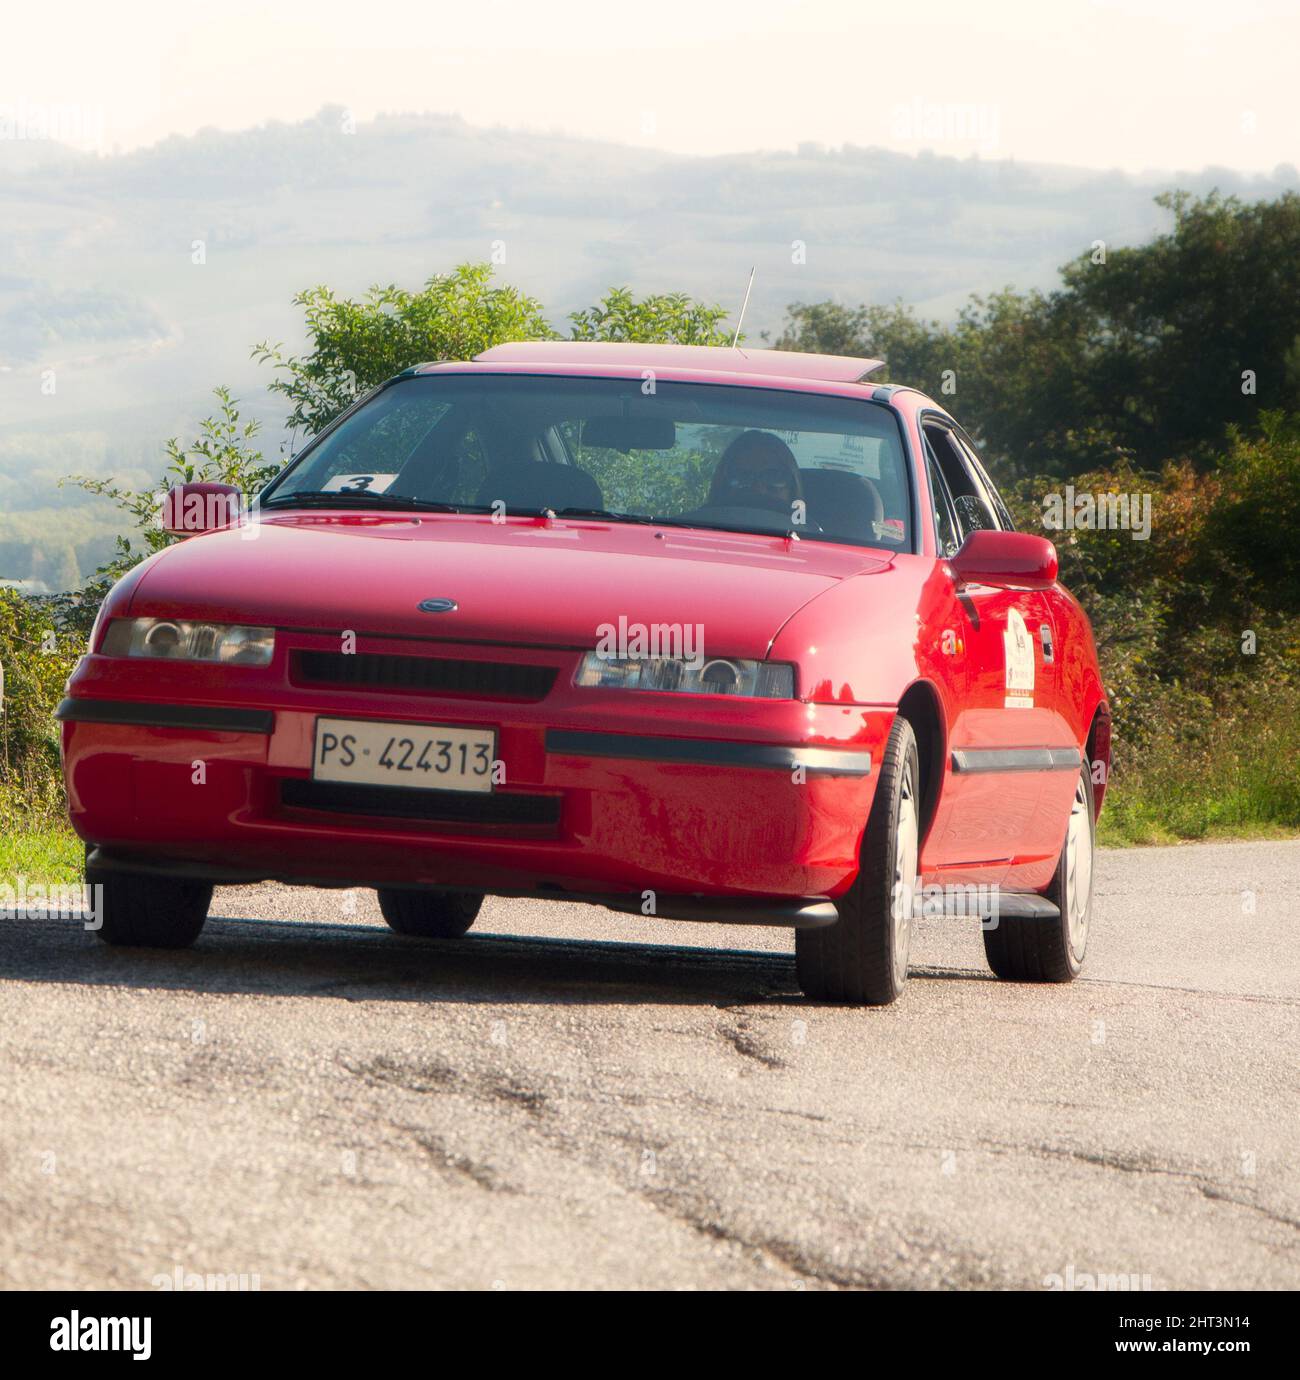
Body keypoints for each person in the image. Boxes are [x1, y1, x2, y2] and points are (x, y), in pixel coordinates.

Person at [707, 431, 802, 514]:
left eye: (773, 476)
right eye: (742, 476)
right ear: (722, 484)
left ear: (793, 487)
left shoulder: (808, 534)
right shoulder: (697, 530)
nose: (758, 489)